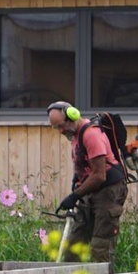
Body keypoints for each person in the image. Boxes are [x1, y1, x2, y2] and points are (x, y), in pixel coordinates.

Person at [48, 101, 128, 264]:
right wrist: (76, 182)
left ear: (72, 116)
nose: (60, 131)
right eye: (56, 128)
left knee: (101, 244)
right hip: (91, 188)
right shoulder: (75, 135)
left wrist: (74, 195)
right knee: (75, 243)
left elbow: (99, 175)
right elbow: (84, 164)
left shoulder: (91, 135)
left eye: (61, 126)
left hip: (108, 190)